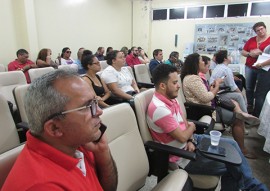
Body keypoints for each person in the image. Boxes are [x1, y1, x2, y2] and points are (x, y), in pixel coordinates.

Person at [147, 64, 268, 191]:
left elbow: (183, 122)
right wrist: (191, 130)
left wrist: (190, 139)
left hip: (192, 142)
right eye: (175, 82)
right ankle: (254, 187)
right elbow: (182, 136)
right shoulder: (160, 109)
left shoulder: (171, 98)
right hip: (183, 156)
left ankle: (251, 186)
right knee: (233, 164)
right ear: (162, 86)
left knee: (232, 144)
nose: (178, 85)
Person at [2, 69, 118, 190]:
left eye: (95, 102)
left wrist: (102, 153)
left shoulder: (76, 141)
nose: (99, 111)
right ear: (54, 128)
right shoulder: (43, 186)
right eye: (87, 106)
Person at [181, 53, 259, 159]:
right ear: (195, 63)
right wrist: (217, 86)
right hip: (204, 109)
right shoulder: (193, 79)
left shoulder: (194, 77)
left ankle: (242, 115)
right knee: (237, 119)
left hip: (205, 106)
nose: (203, 62)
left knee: (234, 105)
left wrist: (212, 87)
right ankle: (243, 150)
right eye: (201, 60)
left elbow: (205, 94)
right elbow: (207, 97)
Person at [242, 22, 270, 116]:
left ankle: (258, 112)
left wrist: (260, 53)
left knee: (260, 91)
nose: (260, 31)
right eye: (257, 30)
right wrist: (250, 54)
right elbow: (243, 51)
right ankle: (250, 105)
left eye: (261, 29)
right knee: (249, 87)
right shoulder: (252, 40)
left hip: (264, 68)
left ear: (265, 28)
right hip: (250, 66)